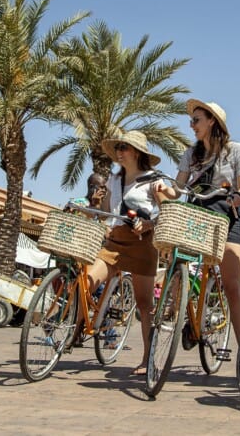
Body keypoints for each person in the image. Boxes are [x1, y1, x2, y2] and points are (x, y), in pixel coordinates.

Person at [153, 99, 240, 350]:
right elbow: (178, 189)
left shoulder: (236, 150)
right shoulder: (190, 154)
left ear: (212, 122)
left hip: (225, 215)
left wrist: (239, 196)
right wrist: (165, 189)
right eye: (191, 120)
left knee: (232, 287)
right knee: (178, 267)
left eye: (196, 120)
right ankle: (188, 317)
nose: (191, 125)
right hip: (196, 216)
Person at [76, 130, 163, 376]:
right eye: (118, 148)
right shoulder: (113, 179)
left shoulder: (152, 179)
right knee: (88, 281)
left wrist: (149, 224)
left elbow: (165, 210)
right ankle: (74, 332)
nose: (119, 152)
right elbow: (105, 210)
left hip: (142, 241)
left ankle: (148, 360)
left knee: (145, 304)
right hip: (114, 240)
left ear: (136, 152)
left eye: (124, 148)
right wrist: (90, 209)